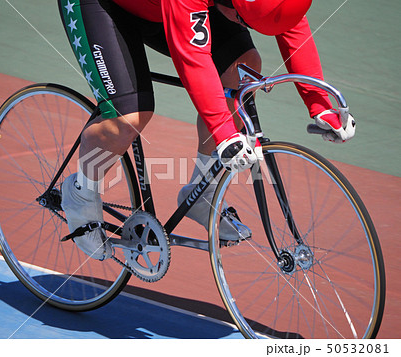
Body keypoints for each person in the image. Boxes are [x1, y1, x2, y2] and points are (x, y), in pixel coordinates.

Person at [57, 0, 356, 260]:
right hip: (102, 5)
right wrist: (225, 134)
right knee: (129, 117)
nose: (242, 24)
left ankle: (203, 192)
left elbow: (289, 23)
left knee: (243, 67)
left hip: (159, 7)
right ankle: (80, 193)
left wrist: (321, 106)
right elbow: (194, 61)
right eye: (242, 19)